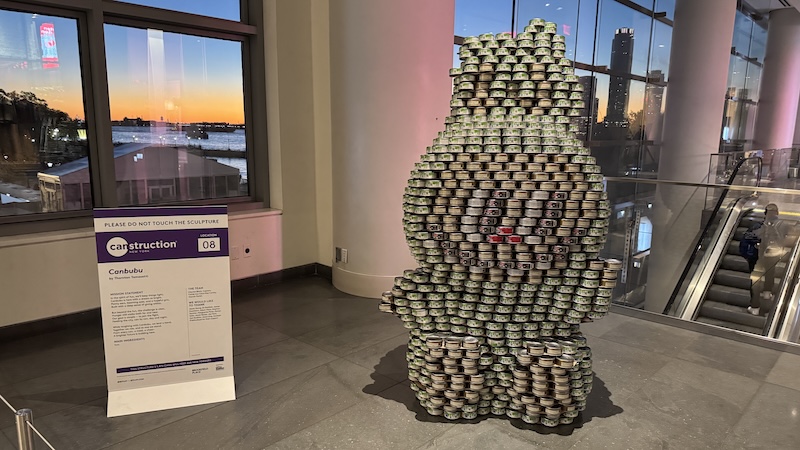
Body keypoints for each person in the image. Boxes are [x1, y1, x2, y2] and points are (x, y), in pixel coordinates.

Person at [748, 204, 789, 316]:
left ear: (765, 213)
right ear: (777, 212)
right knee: (771, 272)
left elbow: (753, 238)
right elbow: (786, 237)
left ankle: (755, 307)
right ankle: (767, 292)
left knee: (756, 279)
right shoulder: (783, 224)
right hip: (775, 252)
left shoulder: (760, 225)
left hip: (761, 254)